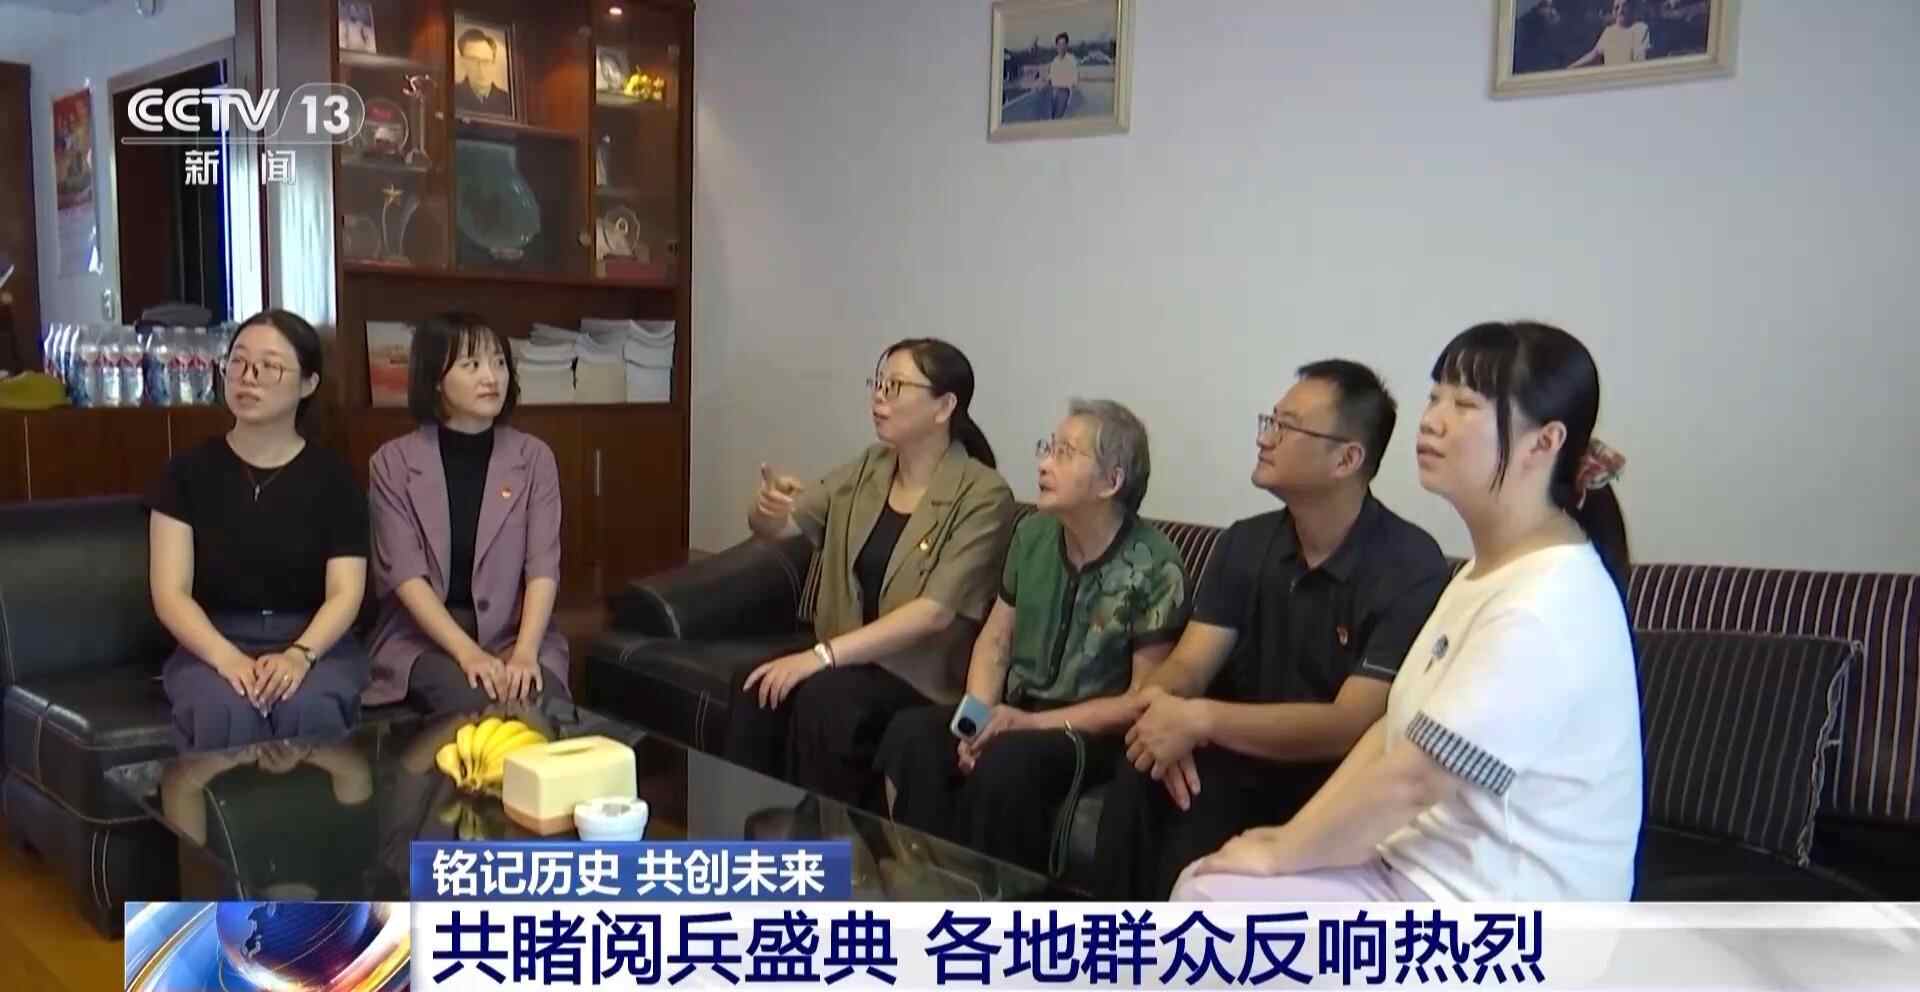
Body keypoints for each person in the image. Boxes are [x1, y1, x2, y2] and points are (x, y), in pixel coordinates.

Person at [1175, 321, 1640, 903]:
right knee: (1208, 882)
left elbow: (1416, 780)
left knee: (1211, 903)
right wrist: (1289, 839)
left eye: (1465, 405)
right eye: (1435, 397)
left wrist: (1281, 854)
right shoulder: (1483, 573)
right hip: (1419, 872)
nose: (1433, 420)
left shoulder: (1546, 604)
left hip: (1499, 911)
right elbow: (1392, 734)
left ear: (1543, 443)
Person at [1093, 360, 1451, 900]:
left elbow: (1349, 723)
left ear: (1347, 459)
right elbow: (1189, 664)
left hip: (1331, 783)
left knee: (1200, 800)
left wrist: (1202, 719)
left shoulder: (1409, 564)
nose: (1266, 438)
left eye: (1287, 426)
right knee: (1143, 766)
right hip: (1237, 758)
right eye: (1271, 421)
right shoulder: (1246, 542)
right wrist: (1164, 711)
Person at [876, 399, 1188, 873]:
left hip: (1091, 731)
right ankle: (927, 883)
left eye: (1064, 453)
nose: (1043, 463)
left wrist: (1026, 725)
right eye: (1048, 447)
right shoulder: (1033, 535)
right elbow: (996, 641)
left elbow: (1141, 700)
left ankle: (993, 901)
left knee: (1008, 761)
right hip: (1015, 711)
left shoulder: (1156, 565)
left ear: (1111, 481)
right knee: (913, 735)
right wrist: (975, 721)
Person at [724, 339, 1016, 807]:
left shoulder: (983, 494)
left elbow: (935, 612)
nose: (879, 396)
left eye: (895, 386)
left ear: (944, 406)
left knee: (829, 699)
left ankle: (831, 844)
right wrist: (767, 508)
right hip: (850, 661)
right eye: (878, 383)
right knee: (754, 683)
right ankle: (750, 827)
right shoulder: (869, 467)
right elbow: (781, 527)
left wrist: (821, 656)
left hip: (918, 678)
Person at [148, 309, 371, 751]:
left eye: (270, 367)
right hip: (212, 641)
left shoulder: (335, 479)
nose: (249, 377)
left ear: (308, 384)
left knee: (310, 706)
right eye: (239, 362)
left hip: (313, 640)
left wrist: (300, 655)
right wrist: (227, 659)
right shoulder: (186, 473)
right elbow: (171, 594)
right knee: (224, 709)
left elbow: (346, 592)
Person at [365, 312, 571, 714]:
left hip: (515, 632)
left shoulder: (534, 458)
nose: (491, 377)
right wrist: (468, 653)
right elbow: (405, 577)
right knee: (477, 706)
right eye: (472, 364)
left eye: (499, 363)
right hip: (425, 639)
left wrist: (525, 652)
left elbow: (543, 566)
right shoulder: (392, 463)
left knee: (542, 707)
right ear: (435, 379)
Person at [1570, 0, 1651, 67]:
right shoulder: (1609, 32)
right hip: (1611, 78)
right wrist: (1571, 68)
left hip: (1629, 78)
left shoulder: (1640, 28)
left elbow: (1640, 58)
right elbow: (1595, 54)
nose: (1620, 11)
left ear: (1632, 8)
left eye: (1624, 6)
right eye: (1616, 7)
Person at [454, 28, 513, 117]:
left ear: (494, 63)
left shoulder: (509, 101)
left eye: (486, 61)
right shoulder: (452, 95)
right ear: (462, 62)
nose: (481, 68)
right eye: (473, 60)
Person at [1047, 33, 1079, 119]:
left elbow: (1075, 80)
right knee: (1053, 118)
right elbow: (1050, 78)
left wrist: (1067, 90)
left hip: (1064, 92)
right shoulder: (1054, 61)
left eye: (1064, 44)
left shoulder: (1072, 60)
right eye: (1059, 44)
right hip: (1054, 92)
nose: (1061, 47)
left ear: (1067, 46)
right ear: (1056, 46)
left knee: (1057, 119)